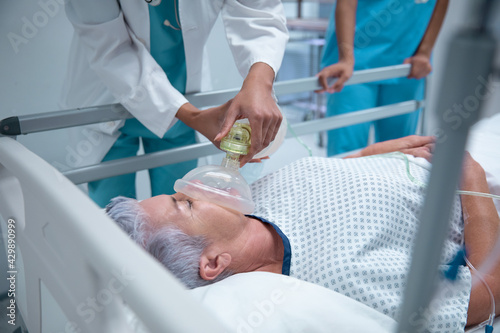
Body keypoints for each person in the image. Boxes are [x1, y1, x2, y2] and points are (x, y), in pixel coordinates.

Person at [106, 135, 500, 332]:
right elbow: (490, 291)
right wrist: (473, 179)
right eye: (186, 204)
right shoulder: (340, 276)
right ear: (212, 263)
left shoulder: (253, 203)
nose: (194, 187)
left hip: (423, 154)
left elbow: (332, 174)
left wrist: (377, 151)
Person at [60, 0, 288, 207]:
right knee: (114, 221)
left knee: (178, 213)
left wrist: (259, 81)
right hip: (111, 100)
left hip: (185, 100)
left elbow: (259, 11)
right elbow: (112, 50)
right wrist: (193, 117)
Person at [316, 0, 449, 156]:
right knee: (346, 155)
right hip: (354, 62)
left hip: (407, 63)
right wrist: (346, 58)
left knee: (400, 155)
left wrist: (424, 52)